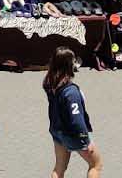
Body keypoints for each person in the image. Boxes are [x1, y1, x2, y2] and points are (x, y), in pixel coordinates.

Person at [43, 47, 101, 178]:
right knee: (96, 165)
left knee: (59, 169)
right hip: (73, 134)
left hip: (57, 131)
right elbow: (76, 120)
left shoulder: (49, 83)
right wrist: (85, 140)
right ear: (68, 66)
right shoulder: (71, 92)